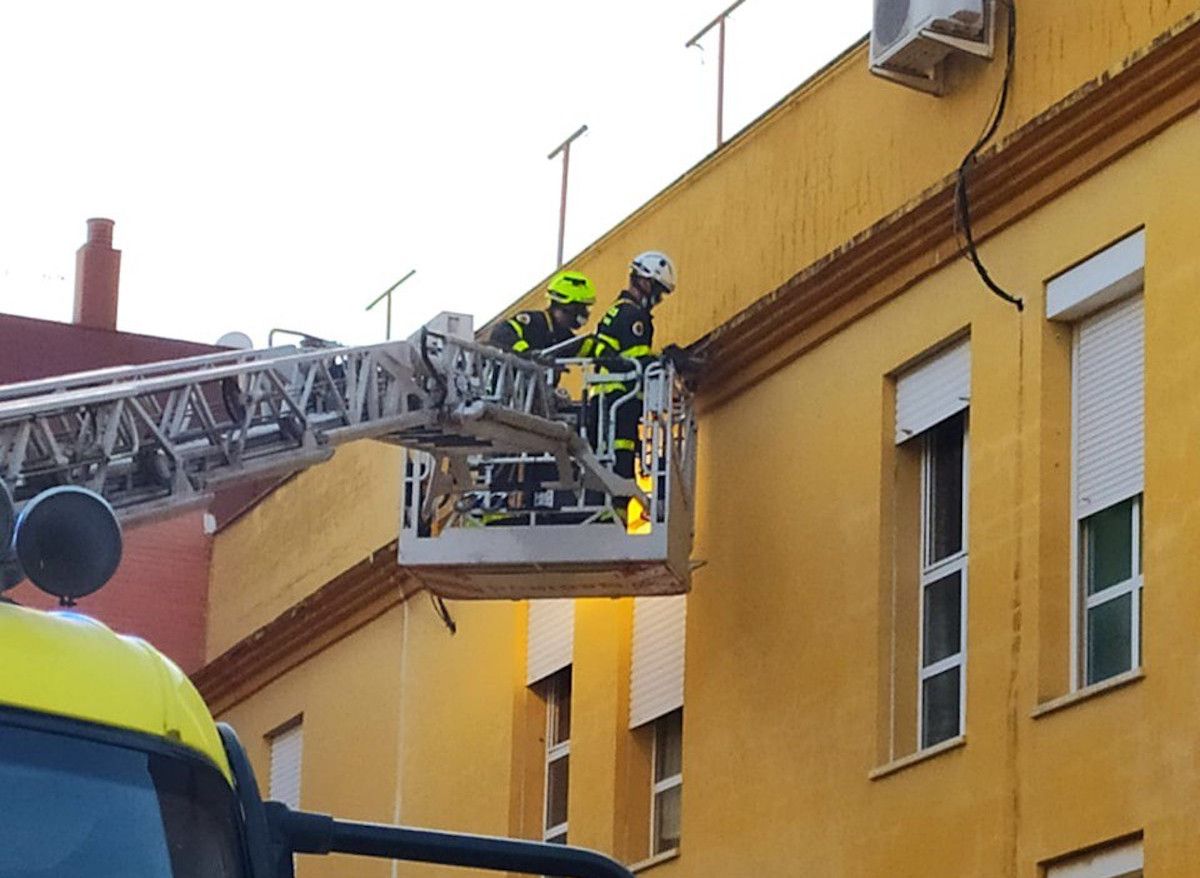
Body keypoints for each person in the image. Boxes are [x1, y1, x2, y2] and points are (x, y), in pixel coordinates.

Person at [581, 250, 678, 519]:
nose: (657, 299)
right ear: (643, 281)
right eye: (657, 291)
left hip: (605, 402)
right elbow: (636, 362)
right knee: (620, 463)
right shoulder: (634, 316)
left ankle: (608, 517)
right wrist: (666, 362)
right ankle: (613, 521)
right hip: (619, 403)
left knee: (606, 463)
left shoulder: (616, 311)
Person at [488, 270, 596, 355]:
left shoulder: (562, 336)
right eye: (581, 308)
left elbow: (589, 348)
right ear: (565, 306)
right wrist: (525, 351)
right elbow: (501, 331)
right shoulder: (535, 322)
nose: (584, 312)